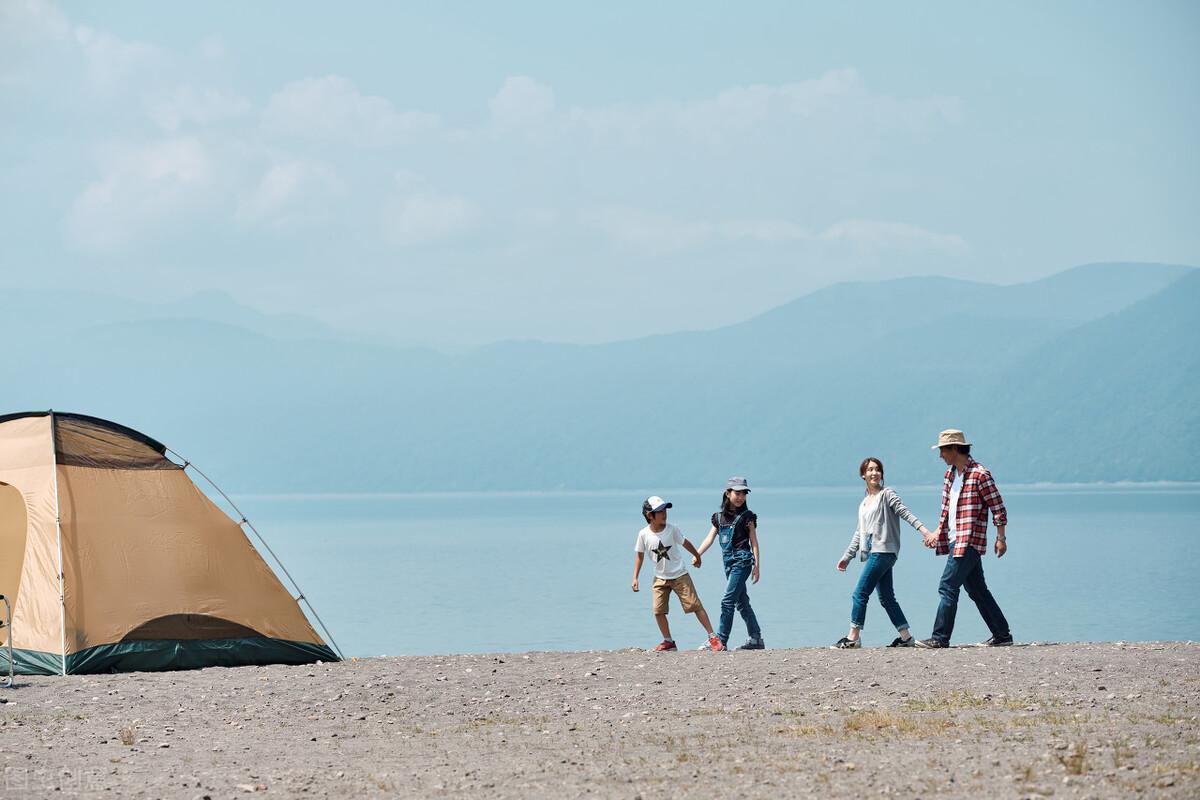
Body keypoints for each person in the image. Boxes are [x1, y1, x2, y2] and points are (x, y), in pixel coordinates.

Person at [916, 429, 1014, 648]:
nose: (940, 455)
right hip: (953, 540)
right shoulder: (950, 475)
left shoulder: (980, 474)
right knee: (977, 590)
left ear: (954, 449)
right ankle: (1002, 634)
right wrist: (936, 534)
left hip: (968, 541)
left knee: (947, 586)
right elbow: (946, 512)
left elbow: (998, 508)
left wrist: (1001, 538)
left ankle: (940, 638)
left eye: (942, 450)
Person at [833, 457, 933, 649]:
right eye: (870, 469)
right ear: (863, 475)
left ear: (881, 474)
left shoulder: (887, 495)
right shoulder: (864, 504)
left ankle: (853, 637)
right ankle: (906, 637)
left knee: (859, 593)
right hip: (872, 553)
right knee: (887, 597)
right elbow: (859, 533)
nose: (874, 473)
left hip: (884, 551)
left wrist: (925, 531)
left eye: (877, 469)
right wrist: (847, 557)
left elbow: (906, 513)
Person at [632, 495, 725, 652]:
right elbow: (639, 556)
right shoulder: (643, 534)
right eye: (660, 511)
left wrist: (697, 555)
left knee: (695, 605)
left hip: (680, 576)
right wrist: (635, 577)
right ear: (650, 515)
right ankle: (668, 641)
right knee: (658, 610)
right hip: (660, 578)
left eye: (665, 510)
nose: (664, 513)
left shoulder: (672, 529)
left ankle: (712, 636)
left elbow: (685, 543)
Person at [697, 476, 764, 650]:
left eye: (744, 493)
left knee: (727, 601)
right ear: (728, 493)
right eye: (737, 493)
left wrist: (757, 566)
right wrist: (697, 554)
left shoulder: (748, 517)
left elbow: (754, 542)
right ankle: (756, 639)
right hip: (728, 563)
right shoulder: (718, 518)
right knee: (742, 602)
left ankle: (720, 641)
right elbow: (710, 538)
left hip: (743, 561)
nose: (741, 497)